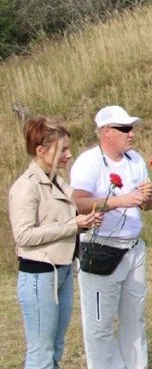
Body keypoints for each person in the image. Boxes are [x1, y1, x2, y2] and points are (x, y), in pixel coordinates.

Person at [10, 118, 102, 369]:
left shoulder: (58, 182)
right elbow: (24, 236)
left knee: (55, 349)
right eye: (62, 149)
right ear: (41, 151)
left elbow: (75, 209)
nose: (69, 155)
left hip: (61, 272)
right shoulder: (26, 187)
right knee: (41, 355)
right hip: (40, 276)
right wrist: (74, 225)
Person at [70, 105, 152, 369]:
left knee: (134, 317)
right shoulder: (89, 161)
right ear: (107, 132)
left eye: (132, 128)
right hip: (101, 247)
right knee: (100, 322)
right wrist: (120, 201)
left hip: (133, 247)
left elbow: (147, 205)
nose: (132, 134)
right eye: (125, 129)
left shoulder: (135, 160)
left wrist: (147, 198)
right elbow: (78, 202)